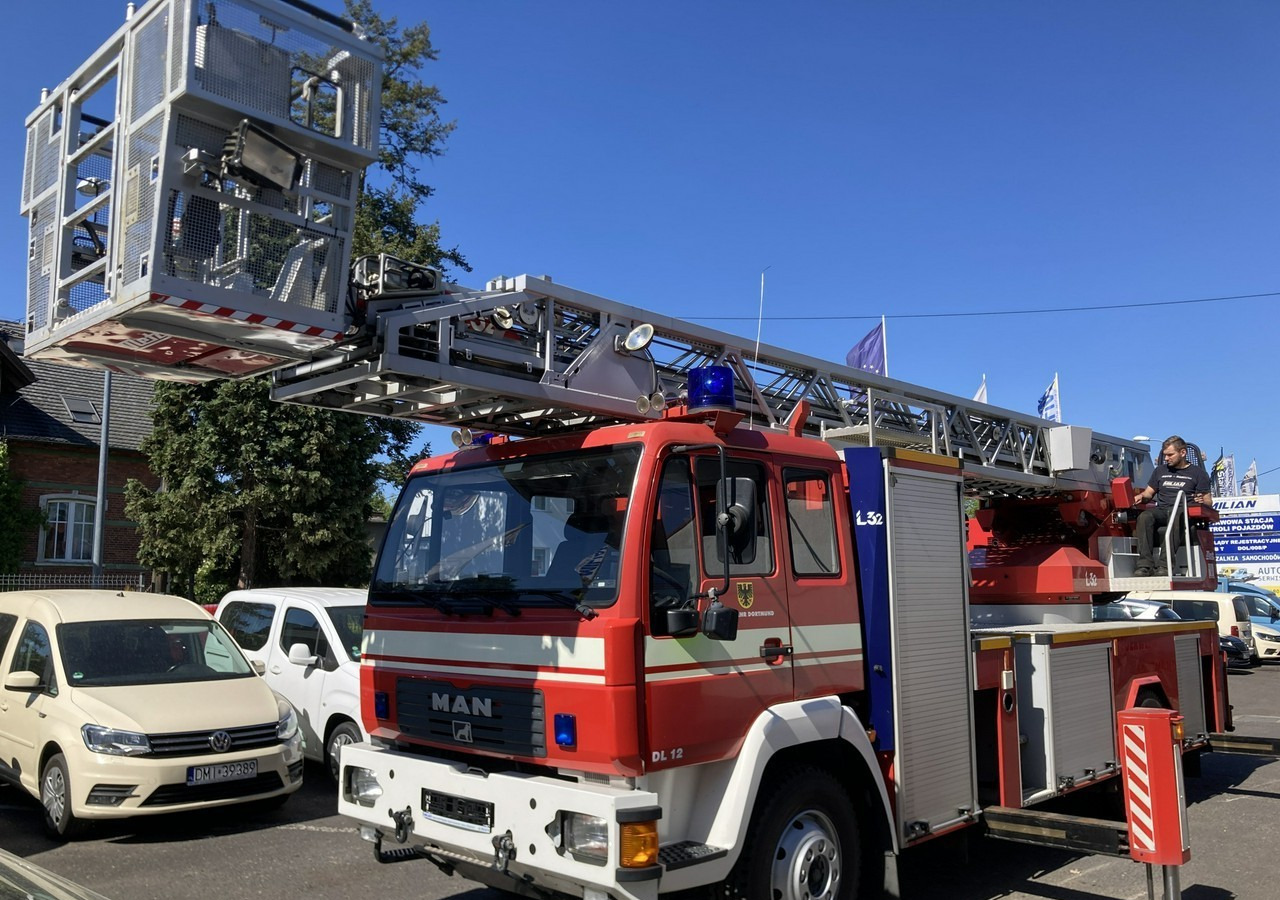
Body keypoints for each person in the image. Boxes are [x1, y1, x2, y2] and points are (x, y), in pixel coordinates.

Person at [1133, 435, 1213, 577]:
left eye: (1170, 455)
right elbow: (1148, 493)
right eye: (1165, 455)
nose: (1166, 459)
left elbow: (1208, 502)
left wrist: (1202, 501)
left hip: (1184, 511)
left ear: (1182, 453)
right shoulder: (1160, 471)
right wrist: (1141, 497)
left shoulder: (1198, 474)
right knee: (1145, 516)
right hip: (1163, 510)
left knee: (1177, 514)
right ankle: (1144, 565)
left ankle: (1165, 565)